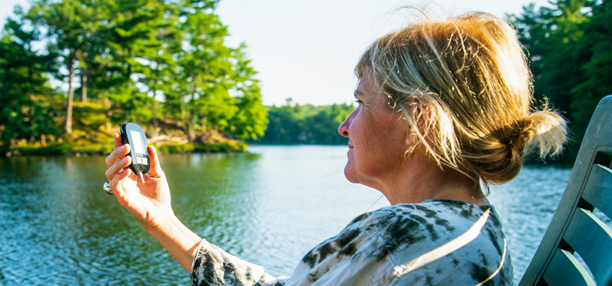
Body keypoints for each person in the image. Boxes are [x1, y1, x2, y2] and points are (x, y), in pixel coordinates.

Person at [103, 11, 567, 286]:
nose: (345, 127)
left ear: (419, 124)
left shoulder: (401, 237)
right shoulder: (469, 224)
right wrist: (161, 220)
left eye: (360, 104)